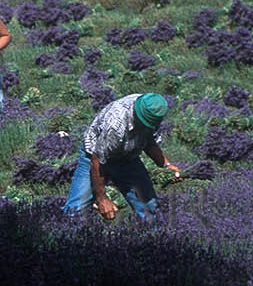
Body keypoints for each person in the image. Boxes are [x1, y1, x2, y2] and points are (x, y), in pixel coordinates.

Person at [64, 92, 180, 221]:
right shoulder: (116, 124)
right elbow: (97, 161)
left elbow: (150, 143)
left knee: (150, 208)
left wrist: (166, 165)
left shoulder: (154, 114)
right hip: (94, 158)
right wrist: (102, 199)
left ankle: (154, 239)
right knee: (75, 210)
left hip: (127, 158)